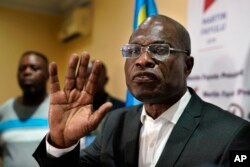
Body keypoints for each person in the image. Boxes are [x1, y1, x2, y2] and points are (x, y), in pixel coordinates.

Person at [33, 15, 250, 167]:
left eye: (159, 49)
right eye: (134, 50)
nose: (143, 60)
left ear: (187, 66)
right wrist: (61, 144)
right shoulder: (114, 124)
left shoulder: (233, 134)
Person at [0, 51, 50, 167]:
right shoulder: (3, 111)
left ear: (47, 74)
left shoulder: (59, 109)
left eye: (34, 68)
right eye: (22, 68)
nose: (27, 72)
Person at [80, 60, 125, 147]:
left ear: (105, 80)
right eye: (86, 76)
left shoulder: (121, 108)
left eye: (96, 75)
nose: (90, 80)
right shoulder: (76, 109)